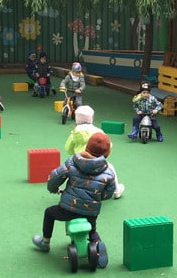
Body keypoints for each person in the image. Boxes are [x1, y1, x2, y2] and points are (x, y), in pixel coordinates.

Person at [32, 132, 117, 267]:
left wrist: (53, 189)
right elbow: (109, 193)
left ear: (86, 147)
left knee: (49, 213)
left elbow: (55, 177)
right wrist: (98, 197)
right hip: (90, 212)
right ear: (107, 154)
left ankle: (45, 242)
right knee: (92, 229)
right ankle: (97, 244)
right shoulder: (108, 172)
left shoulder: (73, 162)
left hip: (67, 209)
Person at [64, 105, 125, 199]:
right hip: (96, 162)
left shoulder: (74, 134)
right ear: (91, 118)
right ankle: (116, 191)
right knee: (110, 168)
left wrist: (75, 153)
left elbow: (68, 149)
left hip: (79, 161)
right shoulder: (98, 131)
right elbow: (108, 145)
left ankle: (73, 190)